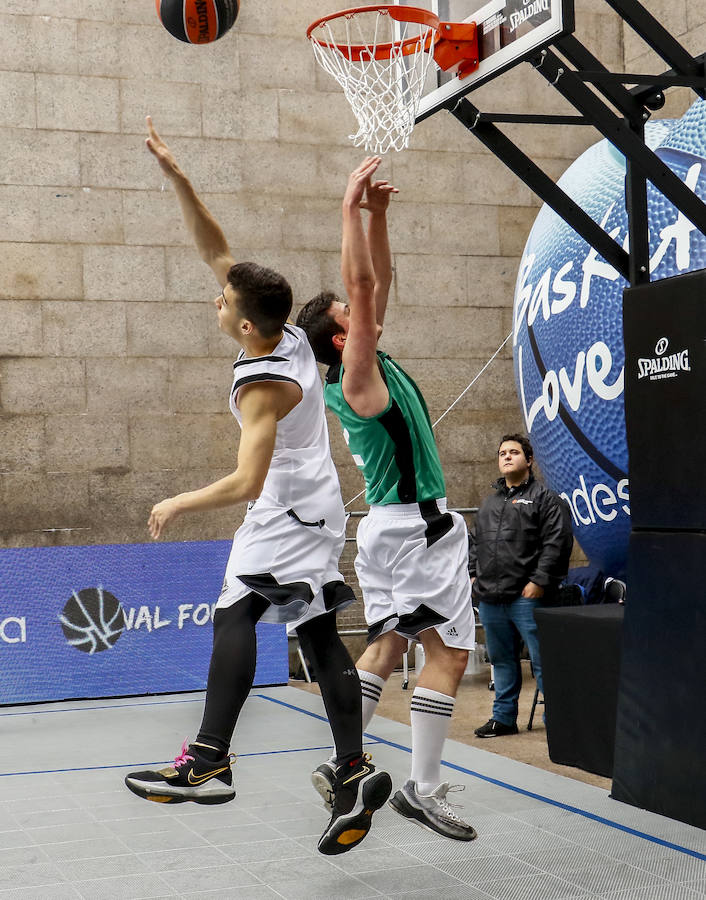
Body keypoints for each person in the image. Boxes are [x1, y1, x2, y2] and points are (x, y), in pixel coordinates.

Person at [124, 119, 391, 857]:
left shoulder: (260, 387)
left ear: (245, 325)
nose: (215, 300)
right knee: (314, 632)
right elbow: (216, 249)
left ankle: (210, 757)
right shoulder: (289, 334)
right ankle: (352, 769)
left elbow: (248, 478)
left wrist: (179, 500)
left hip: (285, 509)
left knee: (234, 611)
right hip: (316, 506)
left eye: (221, 303)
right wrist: (177, 175)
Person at [296, 157, 477, 842]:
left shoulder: (358, 369)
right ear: (344, 337)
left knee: (386, 647)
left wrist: (378, 217)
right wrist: (348, 207)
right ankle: (423, 790)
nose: (365, 307)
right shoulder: (359, 370)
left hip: (384, 530)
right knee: (450, 655)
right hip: (420, 530)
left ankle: (345, 764)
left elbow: (379, 280)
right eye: (353, 313)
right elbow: (363, 281)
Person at [469, 434, 573, 738]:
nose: (507, 457)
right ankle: (503, 719)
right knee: (501, 661)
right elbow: (476, 544)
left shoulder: (545, 499)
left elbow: (557, 542)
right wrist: (474, 576)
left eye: (514, 452)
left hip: (527, 597)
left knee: (544, 663)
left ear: (529, 461)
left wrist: (539, 581)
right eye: (502, 453)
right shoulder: (489, 504)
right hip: (491, 598)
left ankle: (558, 722)